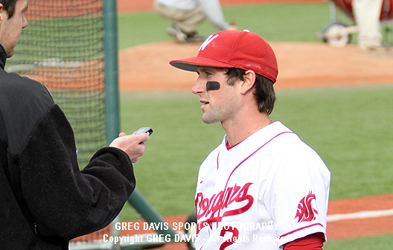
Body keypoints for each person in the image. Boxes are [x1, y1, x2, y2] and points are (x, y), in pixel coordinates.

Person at [0, 0, 150, 248]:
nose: (25, 23)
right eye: (22, 12)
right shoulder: (24, 101)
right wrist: (117, 159)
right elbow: (69, 212)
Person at [170, 30, 331, 249]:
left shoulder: (288, 159)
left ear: (246, 80)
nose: (195, 87)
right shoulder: (210, 164)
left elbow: (304, 246)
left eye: (207, 75)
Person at [154, 0, 233, 43]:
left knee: (197, 5)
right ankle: (181, 29)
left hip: (159, 4)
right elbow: (214, 18)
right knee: (204, 9)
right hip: (171, 9)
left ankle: (182, 29)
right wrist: (228, 29)